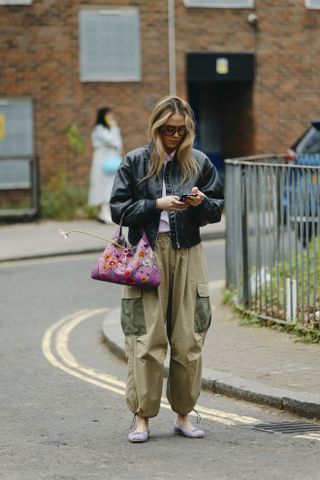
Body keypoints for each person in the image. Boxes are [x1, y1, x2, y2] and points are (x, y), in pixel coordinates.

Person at [110, 95, 224, 443]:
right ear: (156, 128)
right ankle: (142, 417)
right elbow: (119, 210)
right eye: (168, 130)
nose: (175, 136)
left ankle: (184, 416)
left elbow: (217, 209)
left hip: (188, 252)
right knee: (147, 338)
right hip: (147, 253)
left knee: (188, 338)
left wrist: (201, 203)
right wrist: (155, 205)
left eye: (181, 130)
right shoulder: (135, 161)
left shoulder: (199, 162)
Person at [88, 107, 123, 223]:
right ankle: (104, 213)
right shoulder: (99, 129)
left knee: (110, 186)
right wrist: (114, 128)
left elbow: (118, 143)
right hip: (102, 161)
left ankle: (105, 213)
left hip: (111, 160)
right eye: (108, 115)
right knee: (103, 186)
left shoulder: (111, 129)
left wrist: (114, 129)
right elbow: (110, 140)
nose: (110, 117)